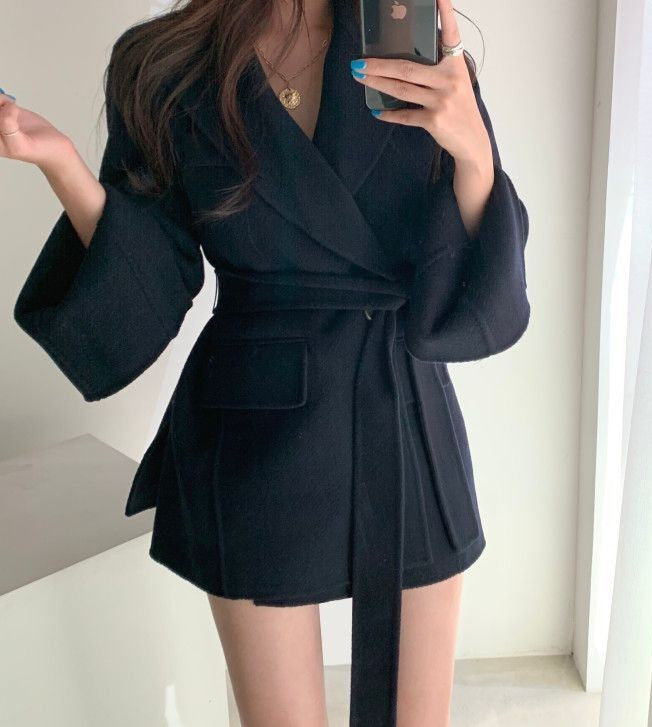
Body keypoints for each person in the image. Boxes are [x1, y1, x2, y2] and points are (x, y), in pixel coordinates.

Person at [1, 0, 530, 723]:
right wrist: (62, 164)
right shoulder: (167, 66)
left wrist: (474, 153)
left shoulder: (407, 34)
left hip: (399, 410)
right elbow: (154, 276)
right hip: (255, 433)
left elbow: (473, 289)